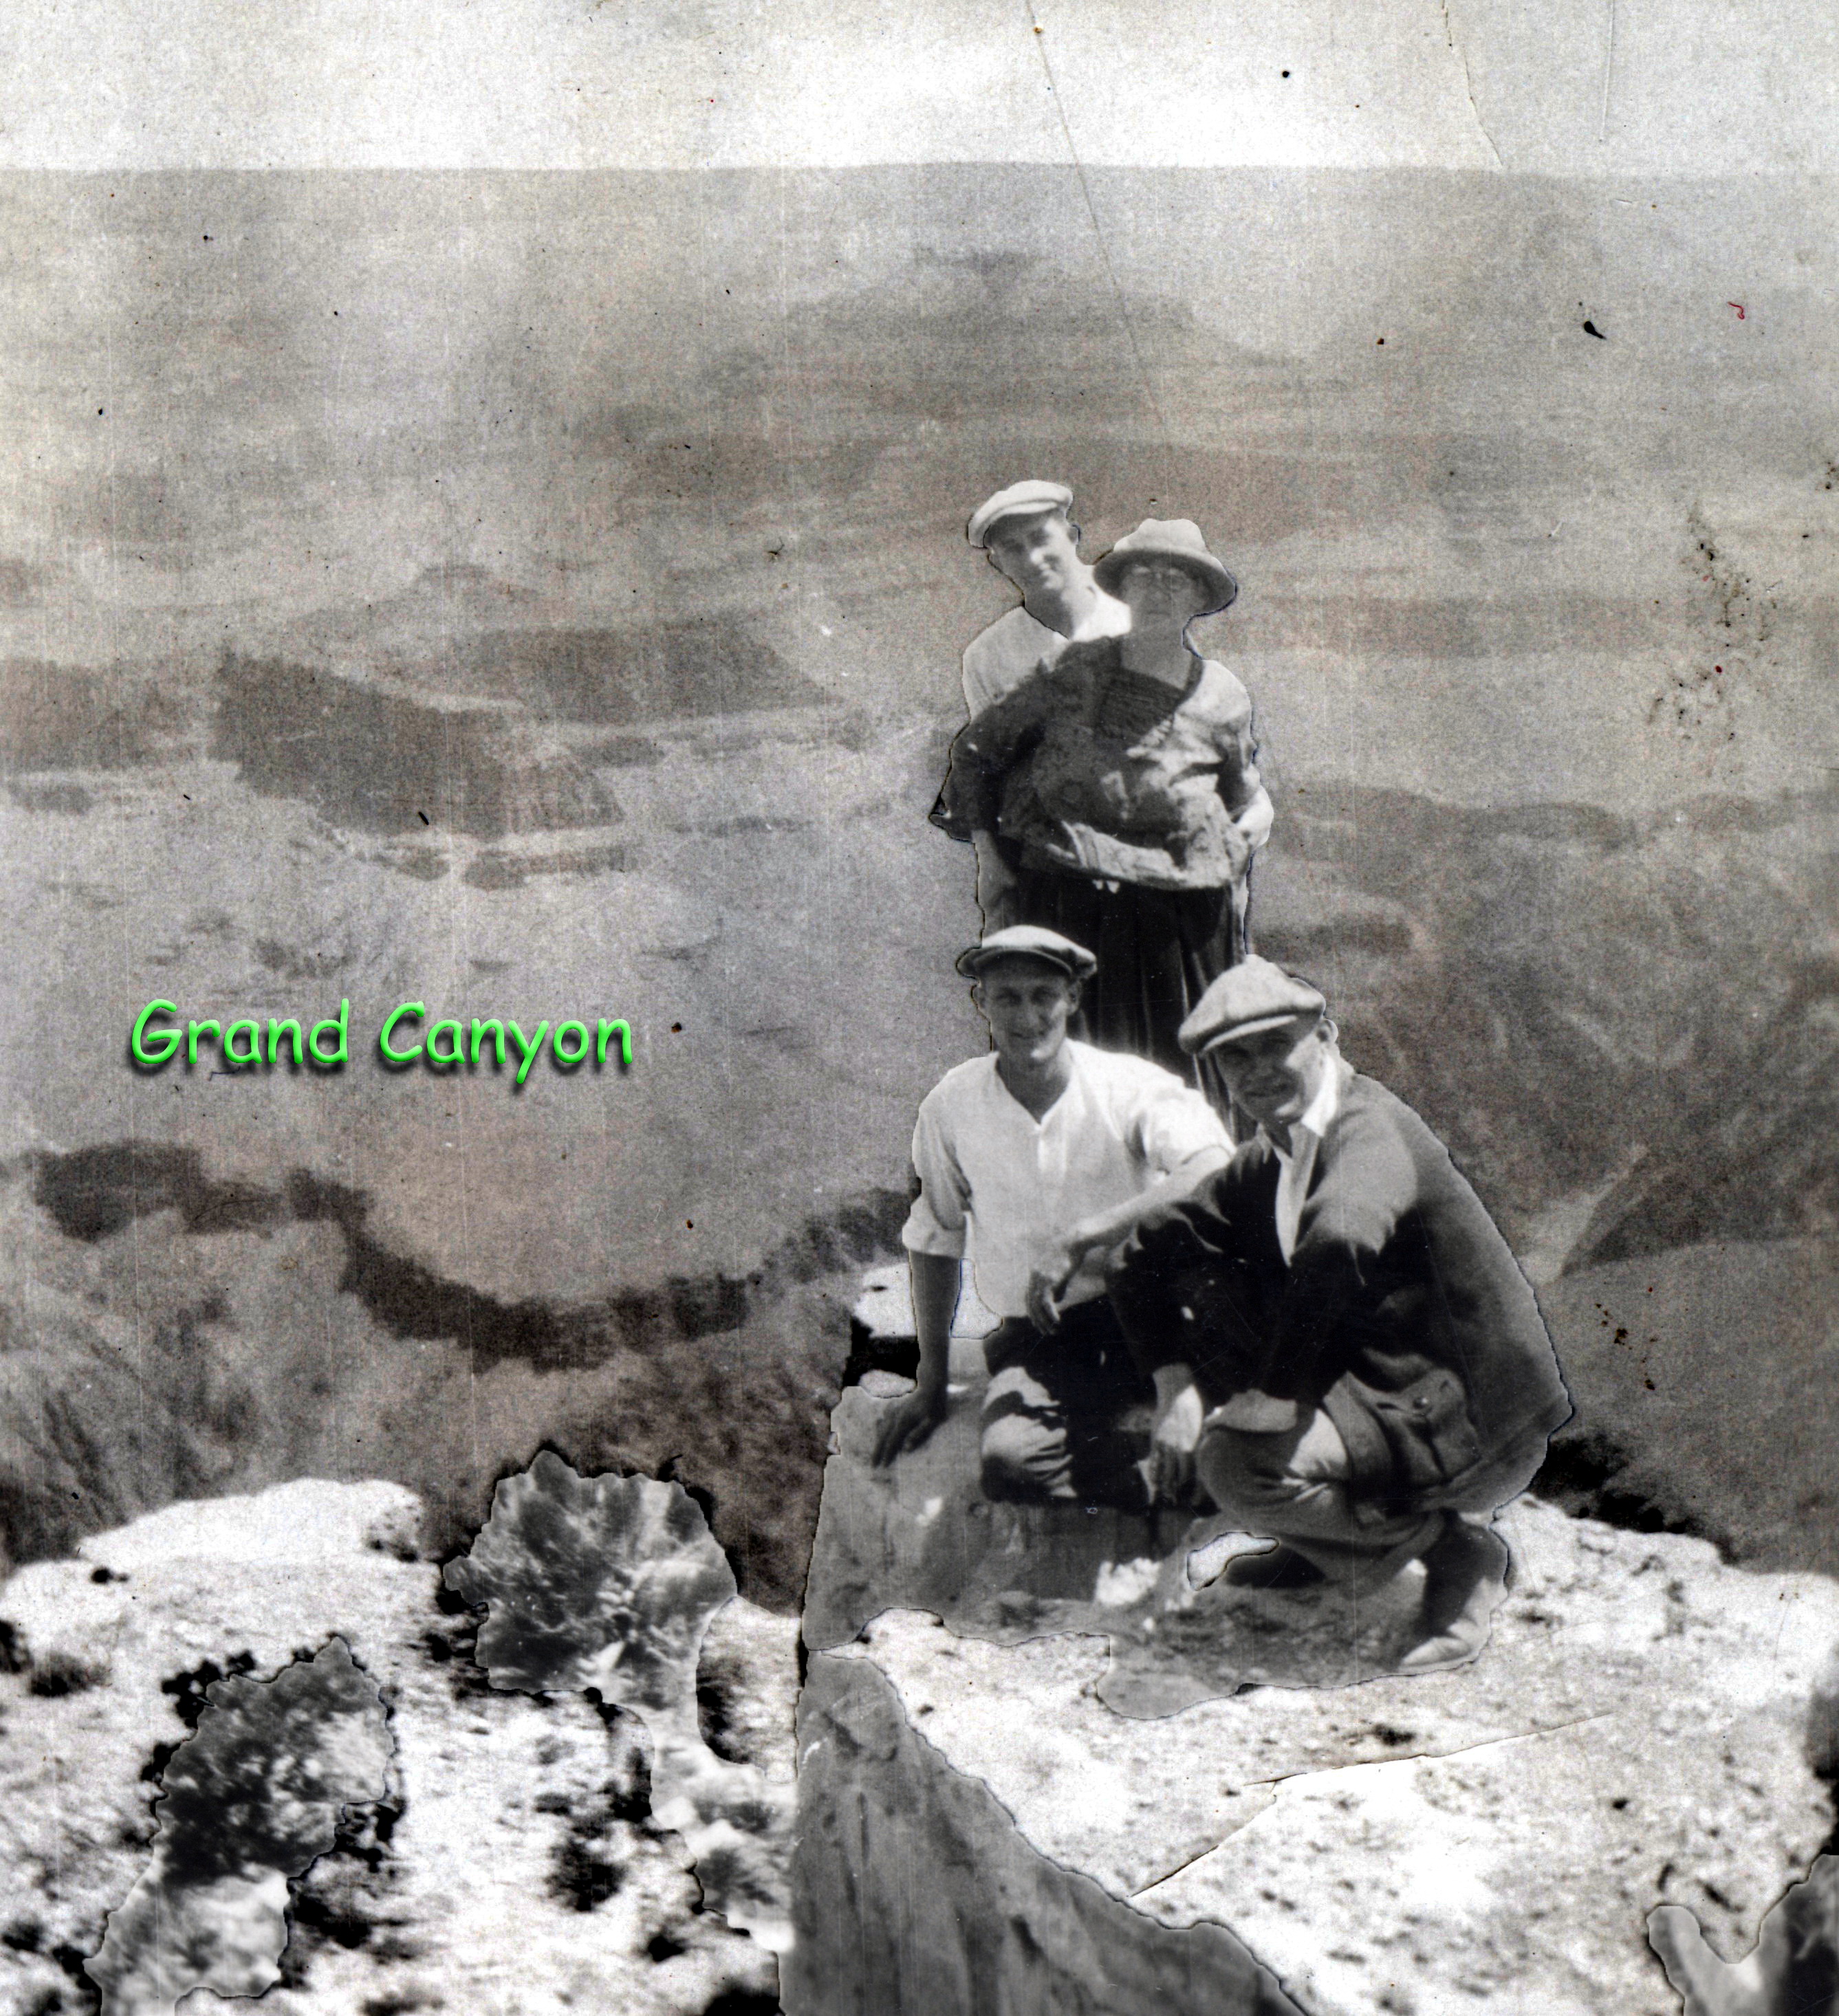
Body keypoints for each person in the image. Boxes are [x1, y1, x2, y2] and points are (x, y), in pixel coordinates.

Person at [1106, 957, 1572, 1671]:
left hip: (1472, 1422)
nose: (1257, 1071)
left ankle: (1458, 1554)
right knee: (1209, 1291)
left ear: (1324, 1036)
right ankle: (1329, 1547)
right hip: (1392, 1392)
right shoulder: (1276, 1155)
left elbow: (1340, 1240)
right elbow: (1143, 1251)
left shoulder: (1368, 1129)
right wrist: (1175, 1386)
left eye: (1275, 1045)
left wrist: (1273, 1395)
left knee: (1236, 1463)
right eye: (1235, 1057)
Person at [871, 925, 1232, 1510]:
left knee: (1248, 1419)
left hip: (1158, 1316)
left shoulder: (1126, 1085)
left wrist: (1083, 1237)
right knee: (1013, 1465)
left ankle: (1210, 1462)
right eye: (1008, 997)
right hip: (1046, 1338)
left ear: (1073, 999)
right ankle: (1179, 1486)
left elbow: (1214, 1166)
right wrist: (931, 1383)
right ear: (982, 1002)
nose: (1028, 1016)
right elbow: (937, 1235)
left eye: (1044, 996)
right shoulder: (952, 1105)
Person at [939, 518, 1274, 1101]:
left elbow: (1245, 799)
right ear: (1124, 589)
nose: (1160, 589)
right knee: (1082, 1084)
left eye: (1178, 579)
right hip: (1074, 904)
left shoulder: (1223, 695)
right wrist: (991, 860)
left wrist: (1234, 859)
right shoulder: (1072, 671)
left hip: (1184, 921)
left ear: (1198, 596)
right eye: (1145, 575)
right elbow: (976, 753)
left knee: (1187, 1084)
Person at [958, 480, 1131, 720]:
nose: (1033, 559)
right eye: (1013, 549)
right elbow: (993, 742)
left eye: (1040, 538)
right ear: (998, 564)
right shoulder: (987, 657)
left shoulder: (1138, 605)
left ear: (1072, 536)